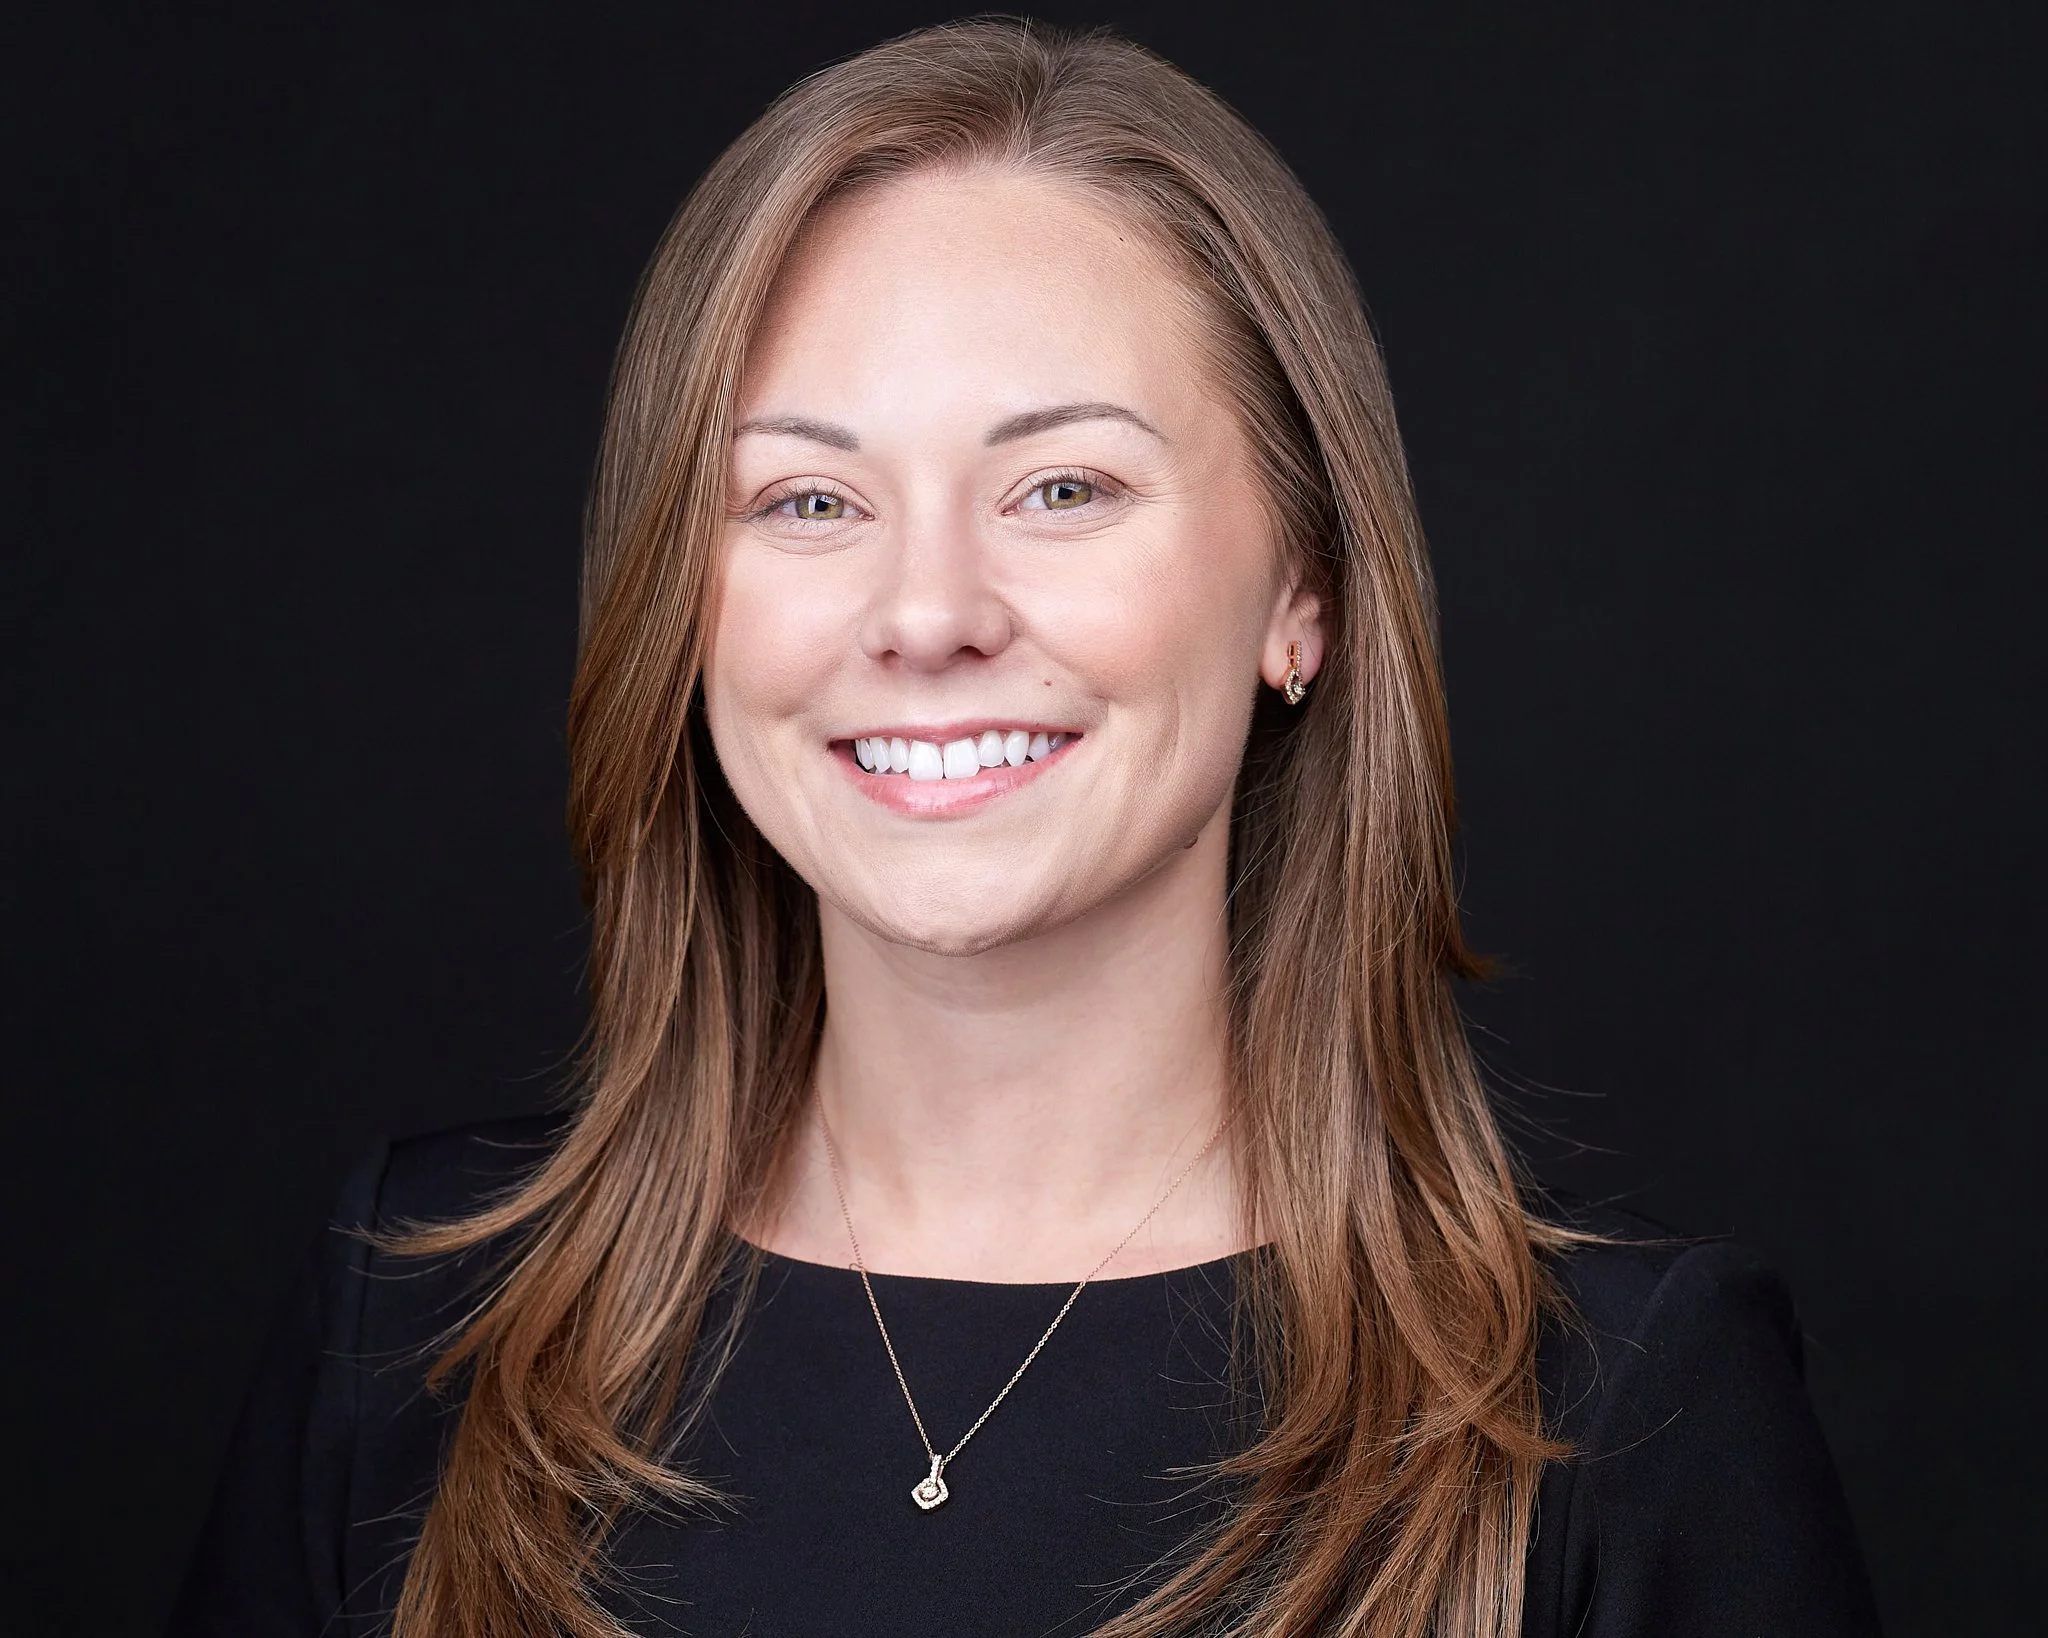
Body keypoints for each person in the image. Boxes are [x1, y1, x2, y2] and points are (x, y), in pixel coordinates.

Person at [170, 21, 1881, 1638]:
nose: (926, 613)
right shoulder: (407, 1331)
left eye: (1062, 487)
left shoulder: (1624, 1412)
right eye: (810, 499)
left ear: (1305, 586)